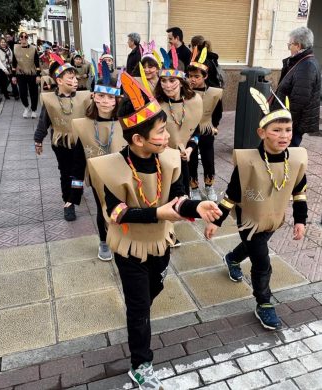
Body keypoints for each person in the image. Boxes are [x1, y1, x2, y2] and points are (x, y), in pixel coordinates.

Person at [87, 72, 221, 390]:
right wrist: (158, 212)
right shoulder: (109, 167)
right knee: (138, 308)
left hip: (159, 244)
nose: (166, 134)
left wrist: (196, 207)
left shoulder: (170, 160)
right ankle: (141, 364)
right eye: (160, 131)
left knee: (150, 294)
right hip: (128, 247)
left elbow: (178, 200)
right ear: (138, 139)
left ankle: (140, 315)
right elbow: (116, 213)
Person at [205, 88, 308, 330]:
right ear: (262, 133)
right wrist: (215, 221)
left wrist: (300, 220)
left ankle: (232, 258)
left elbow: (299, 192)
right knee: (262, 262)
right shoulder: (248, 161)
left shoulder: (295, 159)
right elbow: (232, 194)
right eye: (277, 130)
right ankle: (264, 303)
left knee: (254, 248)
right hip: (248, 219)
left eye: (288, 130)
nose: (284, 136)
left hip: (274, 218)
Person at [72, 63, 125, 260]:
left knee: (121, 208)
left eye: (110, 97)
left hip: (122, 176)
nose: (105, 101)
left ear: (117, 99)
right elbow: (79, 158)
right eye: (101, 96)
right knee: (102, 206)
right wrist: (74, 191)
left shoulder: (125, 124)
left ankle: (121, 235)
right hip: (97, 178)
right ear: (93, 96)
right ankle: (104, 240)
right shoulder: (84, 125)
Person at [33, 56, 92, 221]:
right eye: (71, 78)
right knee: (66, 173)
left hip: (80, 142)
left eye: (75, 77)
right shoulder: (50, 100)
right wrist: (38, 140)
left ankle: (74, 195)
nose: (75, 80)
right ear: (59, 80)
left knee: (77, 172)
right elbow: (44, 120)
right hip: (60, 142)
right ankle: (68, 202)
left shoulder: (83, 97)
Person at [154, 45, 203, 197]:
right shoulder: (156, 104)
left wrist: (189, 149)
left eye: (172, 80)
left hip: (182, 157)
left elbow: (196, 130)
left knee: (181, 195)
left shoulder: (194, 101)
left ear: (181, 81)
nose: (167, 85)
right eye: (164, 80)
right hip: (160, 158)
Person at [272, 26, 321, 147]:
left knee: (287, 154)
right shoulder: (300, 61)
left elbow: (299, 100)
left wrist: (285, 124)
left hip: (293, 124)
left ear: (298, 46)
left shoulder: (307, 65)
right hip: (290, 122)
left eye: (290, 45)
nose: (289, 48)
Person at [187, 48, 223, 201]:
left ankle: (209, 186)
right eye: (190, 76)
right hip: (189, 130)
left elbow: (218, 111)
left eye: (196, 76)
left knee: (208, 159)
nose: (193, 79)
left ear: (205, 76)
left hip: (206, 129)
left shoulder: (214, 92)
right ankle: (193, 188)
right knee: (191, 159)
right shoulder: (185, 92)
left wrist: (215, 125)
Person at [12, 32, 41, 118]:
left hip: (32, 73)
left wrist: (38, 75)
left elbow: (37, 62)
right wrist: (13, 76)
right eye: (22, 37)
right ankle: (26, 107)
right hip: (20, 74)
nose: (23, 38)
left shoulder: (33, 48)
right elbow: (14, 63)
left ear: (27, 38)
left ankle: (34, 110)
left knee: (34, 93)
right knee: (22, 93)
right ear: (19, 38)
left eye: (25, 37)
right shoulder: (15, 48)